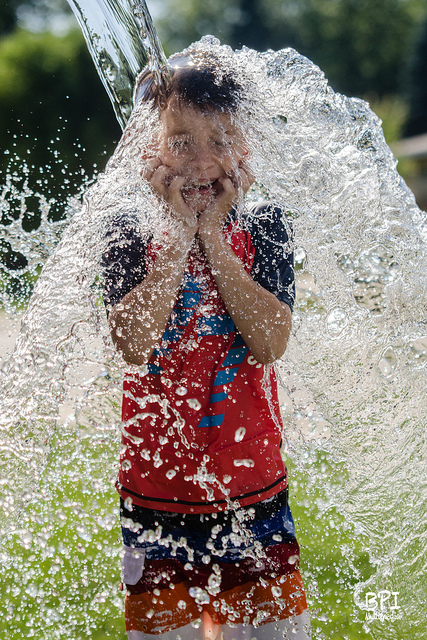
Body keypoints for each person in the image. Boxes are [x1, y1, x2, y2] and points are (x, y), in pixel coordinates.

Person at [102, 48, 311, 640]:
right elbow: (134, 342)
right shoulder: (126, 227)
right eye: (181, 142)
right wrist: (177, 237)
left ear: (245, 148)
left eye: (219, 141)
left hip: (254, 487)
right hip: (155, 491)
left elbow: (270, 343)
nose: (201, 162)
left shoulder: (264, 224)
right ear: (151, 149)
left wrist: (213, 238)